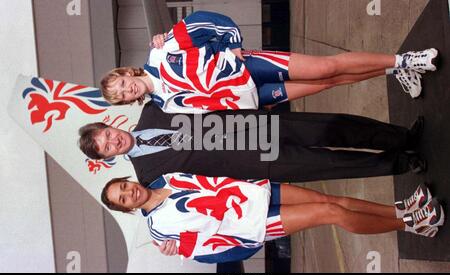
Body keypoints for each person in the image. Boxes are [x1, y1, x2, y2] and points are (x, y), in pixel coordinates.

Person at [100, 11, 438, 113]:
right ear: (129, 101)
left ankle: (406, 57)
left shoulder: (160, 52)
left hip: (249, 67)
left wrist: (232, 45)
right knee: (328, 83)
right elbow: (208, 113)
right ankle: (396, 69)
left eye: (121, 84)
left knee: (327, 67)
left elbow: (205, 22)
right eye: (123, 95)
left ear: (124, 73)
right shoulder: (163, 105)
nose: (127, 89)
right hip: (253, 98)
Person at [101, 174, 445, 263]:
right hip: (254, 223)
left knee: (330, 198)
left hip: (256, 193)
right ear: (126, 207)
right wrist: (183, 248)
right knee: (331, 213)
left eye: (123, 186)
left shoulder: (167, 179)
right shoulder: (159, 230)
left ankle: (400, 209)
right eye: (122, 198)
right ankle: (414, 224)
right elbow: (203, 248)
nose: (128, 192)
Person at [78, 101, 426, 187]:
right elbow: (166, 205)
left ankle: (402, 137)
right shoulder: (147, 176)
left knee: (335, 127)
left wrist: (160, 41)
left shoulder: (152, 110)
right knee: (335, 165)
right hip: (257, 164)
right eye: (106, 147)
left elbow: (167, 75)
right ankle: (400, 163)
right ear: (108, 158)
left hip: (259, 126)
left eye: (107, 134)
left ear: (110, 125)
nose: (113, 141)